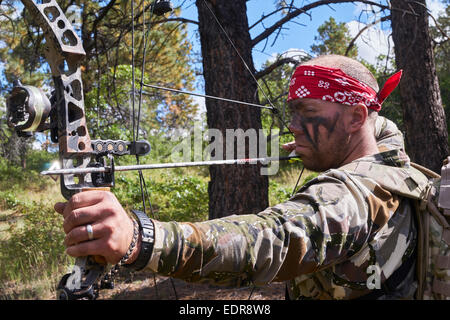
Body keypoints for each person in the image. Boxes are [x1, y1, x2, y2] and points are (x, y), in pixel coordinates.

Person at [55, 54, 419, 300]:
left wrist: (141, 239)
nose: (291, 126)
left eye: (306, 111)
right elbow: (378, 124)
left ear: (356, 118)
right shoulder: (393, 166)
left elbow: (265, 242)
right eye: (292, 112)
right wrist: (322, 137)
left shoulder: (349, 198)